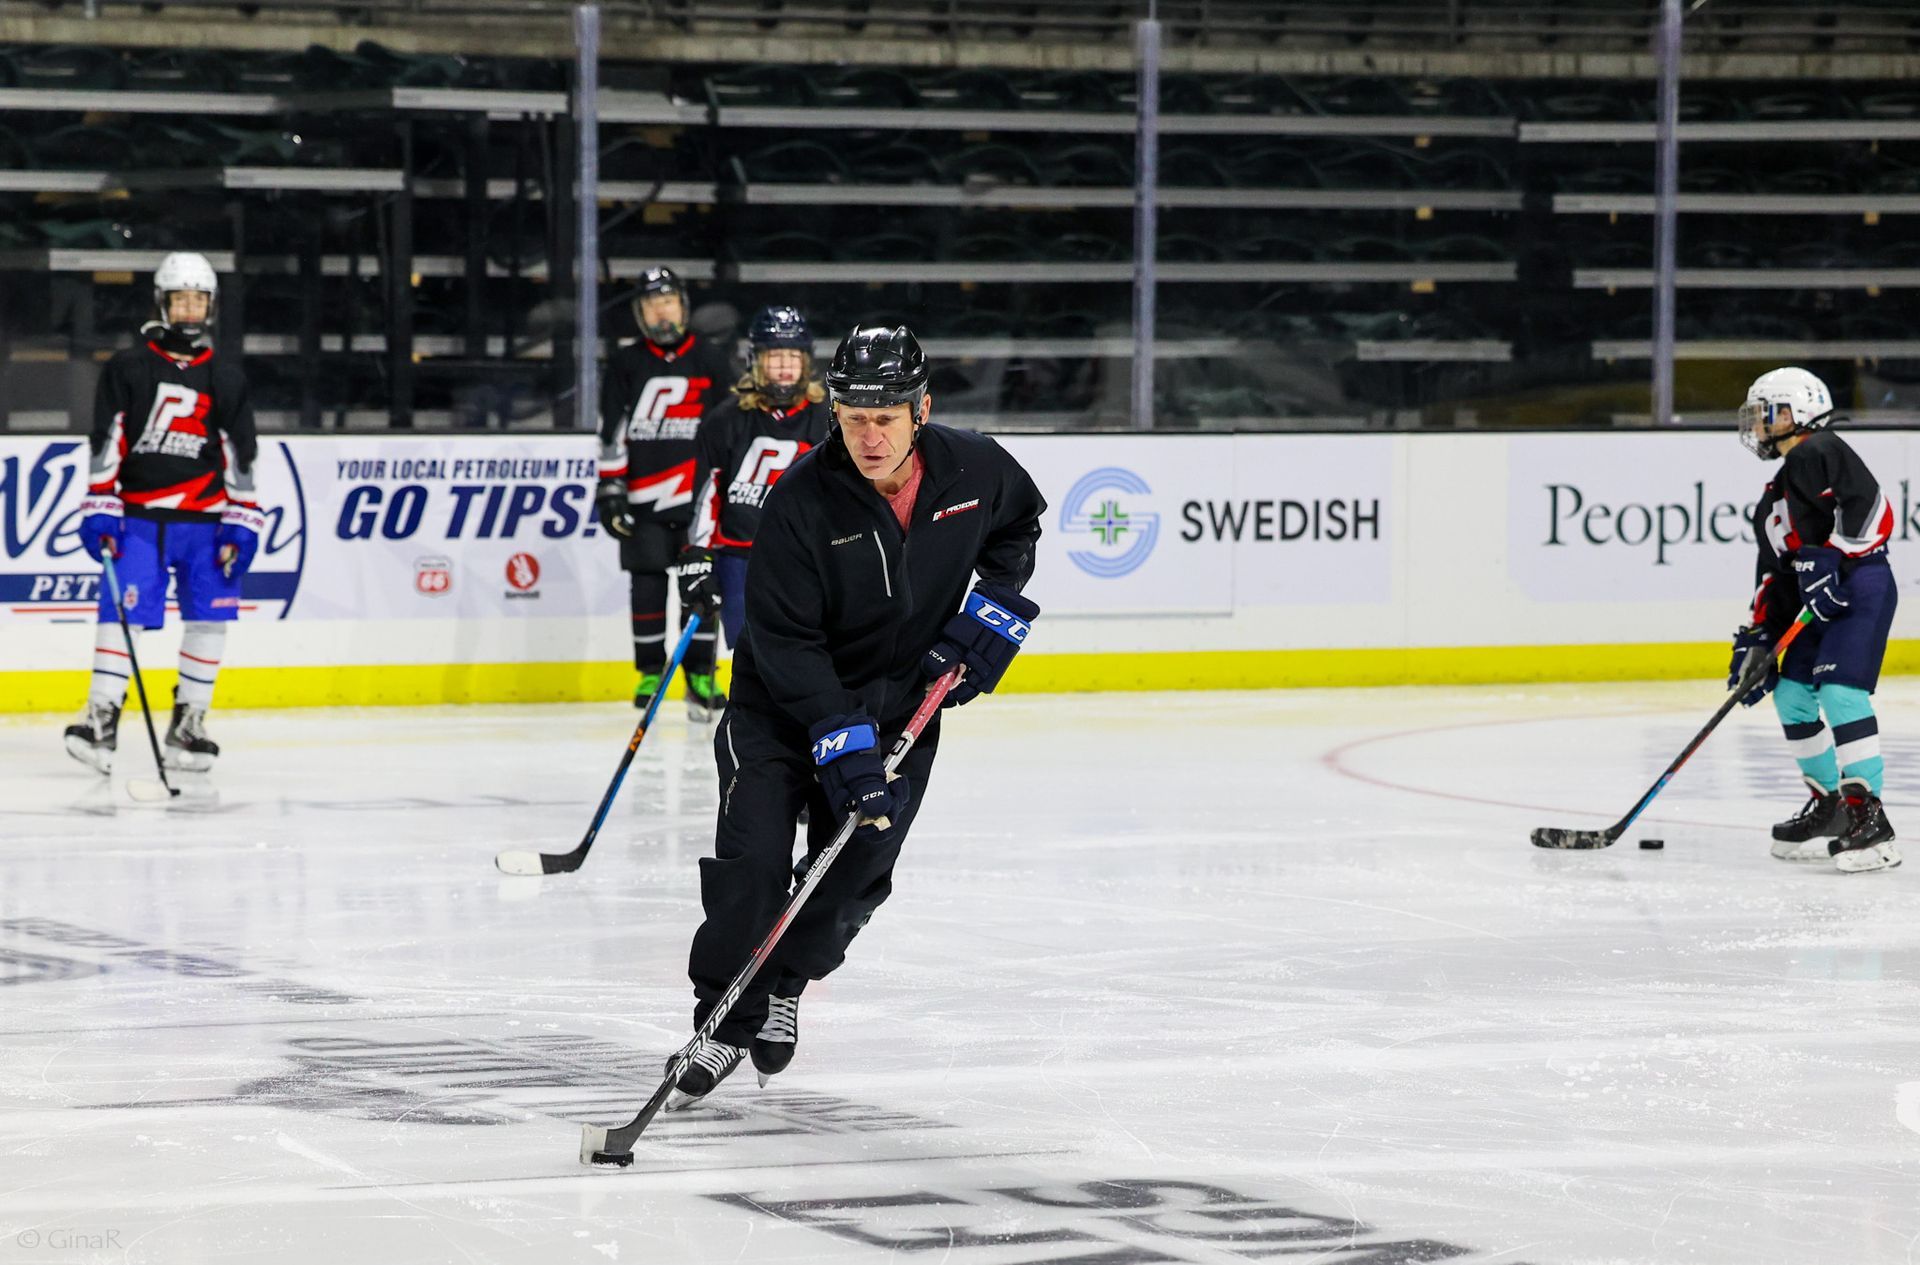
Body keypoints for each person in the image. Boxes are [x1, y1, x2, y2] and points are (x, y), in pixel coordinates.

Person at [666, 324, 1047, 1106]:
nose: (869, 435)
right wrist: (842, 741)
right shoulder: (801, 500)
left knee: (854, 874)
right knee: (756, 865)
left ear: (922, 410)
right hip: (778, 712)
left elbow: (1018, 525)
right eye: (853, 416)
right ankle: (721, 1023)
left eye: (887, 417)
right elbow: (783, 640)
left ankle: (786, 982)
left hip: (902, 709)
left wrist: (990, 623)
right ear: (833, 411)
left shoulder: (976, 469)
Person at [63, 251, 263, 774]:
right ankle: (100, 718)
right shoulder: (130, 367)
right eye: (181, 299)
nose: (191, 309)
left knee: (209, 619)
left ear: (212, 305)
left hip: (206, 522)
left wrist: (243, 518)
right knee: (122, 615)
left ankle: (189, 723)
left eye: (199, 299)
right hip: (139, 518)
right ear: (163, 303)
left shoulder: (226, 375)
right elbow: (107, 437)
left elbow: (241, 451)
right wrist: (100, 503)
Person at [1729, 367, 1899, 873]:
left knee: (1841, 692)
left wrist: (1832, 558)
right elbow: (1775, 577)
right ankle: (1828, 806)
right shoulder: (1772, 498)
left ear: (1793, 413)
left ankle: (1870, 818)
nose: (1756, 425)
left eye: (1764, 413)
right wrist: (1762, 636)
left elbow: (1873, 511)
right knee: (1792, 693)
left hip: (1859, 585)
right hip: (1814, 598)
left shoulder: (1821, 449)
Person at [595, 266, 734, 719]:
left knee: (702, 588)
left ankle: (700, 671)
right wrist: (611, 489)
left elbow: (731, 428)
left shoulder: (712, 359)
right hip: (645, 496)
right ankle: (650, 672)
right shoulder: (625, 363)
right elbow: (612, 431)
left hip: (700, 499)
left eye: (668, 301)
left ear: (683, 306)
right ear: (640, 313)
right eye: (652, 304)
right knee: (648, 585)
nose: (661, 311)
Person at [676, 304, 832, 656]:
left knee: (808, 650)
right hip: (740, 558)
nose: (782, 367)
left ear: (806, 363)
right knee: (749, 654)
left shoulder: (827, 418)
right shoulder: (726, 419)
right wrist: (698, 551)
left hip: (806, 559)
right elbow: (706, 491)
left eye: (791, 357)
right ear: (755, 362)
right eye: (774, 357)